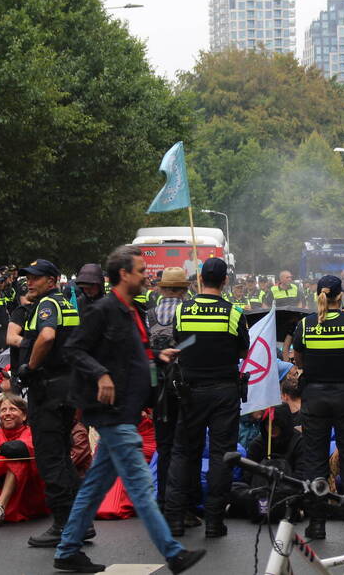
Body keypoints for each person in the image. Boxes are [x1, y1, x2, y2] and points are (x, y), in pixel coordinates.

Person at [56, 244, 204, 573]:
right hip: (114, 414)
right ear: (123, 274)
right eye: (140, 271)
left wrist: (157, 355)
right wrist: (101, 374)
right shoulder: (103, 310)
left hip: (126, 412)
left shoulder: (133, 310)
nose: (146, 276)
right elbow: (73, 349)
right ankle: (173, 553)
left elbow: (136, 352)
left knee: (94, 486)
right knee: (140, 485)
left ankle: (67, 550)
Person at [165, 257, 247, 539]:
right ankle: (214, 521)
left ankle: (175, 518)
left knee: (183, 453)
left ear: (200, 279)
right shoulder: (234, 313)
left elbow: (179, 340)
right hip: (224, 391)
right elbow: (241, 351)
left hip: (189, 391)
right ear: (225, 281)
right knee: (221, 455)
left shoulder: (182, 311)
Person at [291, 275, 344, 541]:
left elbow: (300, 360)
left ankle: (316, 523)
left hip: (314, 399)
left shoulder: (305, 324)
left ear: (318, 296)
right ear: (342, 295)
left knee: (314, 460)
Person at [15, 259, 83, 548]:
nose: (30, 282)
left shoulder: (49, 306)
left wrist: (29, 367)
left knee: (51, 459)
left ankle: (63, 525)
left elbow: (46, 336)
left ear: (52, 281)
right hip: (64, 390)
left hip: (50, 391)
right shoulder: (65, 304)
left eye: (37, 278)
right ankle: (79, 524)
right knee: (63, 459)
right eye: (28, 277)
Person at [147, 268, 196, 516]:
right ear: (185, 290)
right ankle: (184, 506)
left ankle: (163, 501)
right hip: (185, 387)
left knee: (164, 446)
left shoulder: (149, 315)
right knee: (185, 447)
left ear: (161, 288)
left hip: (157, 390)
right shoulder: (189, 312)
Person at [0, 394, 47, 526]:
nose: (7, 414)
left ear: (24, 416)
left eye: (12, 409)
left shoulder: (32, 433)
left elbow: (20, 448)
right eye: (3, 410)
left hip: (28, 492)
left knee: (19, 456)